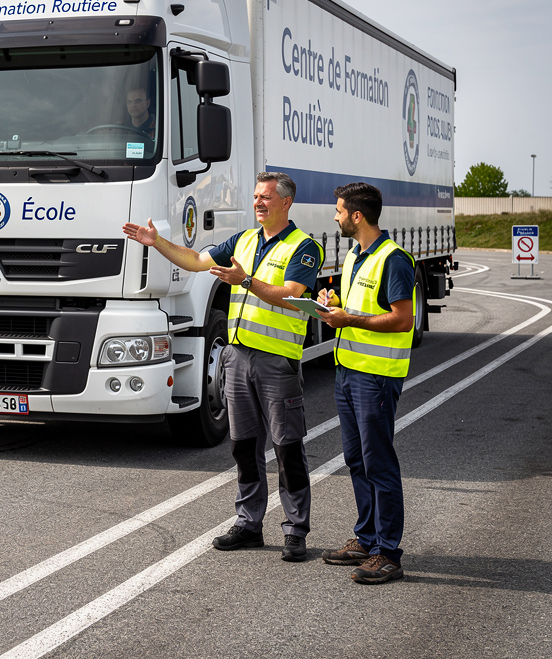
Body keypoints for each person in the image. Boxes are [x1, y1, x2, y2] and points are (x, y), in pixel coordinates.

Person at [123, 172, 323, 562]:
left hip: (276, 363)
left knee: (287, 448)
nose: (258, 202)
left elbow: (291, 296)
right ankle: (249, 524)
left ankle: (295, 530)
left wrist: (245, 280)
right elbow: (197, 261)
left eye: (265, 197)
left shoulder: (304, 248)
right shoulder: (245, 240)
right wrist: (157, 243)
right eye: (255, 196)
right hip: (237, 357)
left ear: (286, 202)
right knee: (244, 448)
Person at [316, 182, 415, 584]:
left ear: (357, 216)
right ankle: (367, 536)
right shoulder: (355, 254)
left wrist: (348, 320)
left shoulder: (394, 259)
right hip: (348, 372)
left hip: (375, 378)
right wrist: (334, 305)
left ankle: (387, 553)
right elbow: (360, 308)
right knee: (356, 460)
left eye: (339, 210)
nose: (335, 216)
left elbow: (402, 318)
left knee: (379, 463)